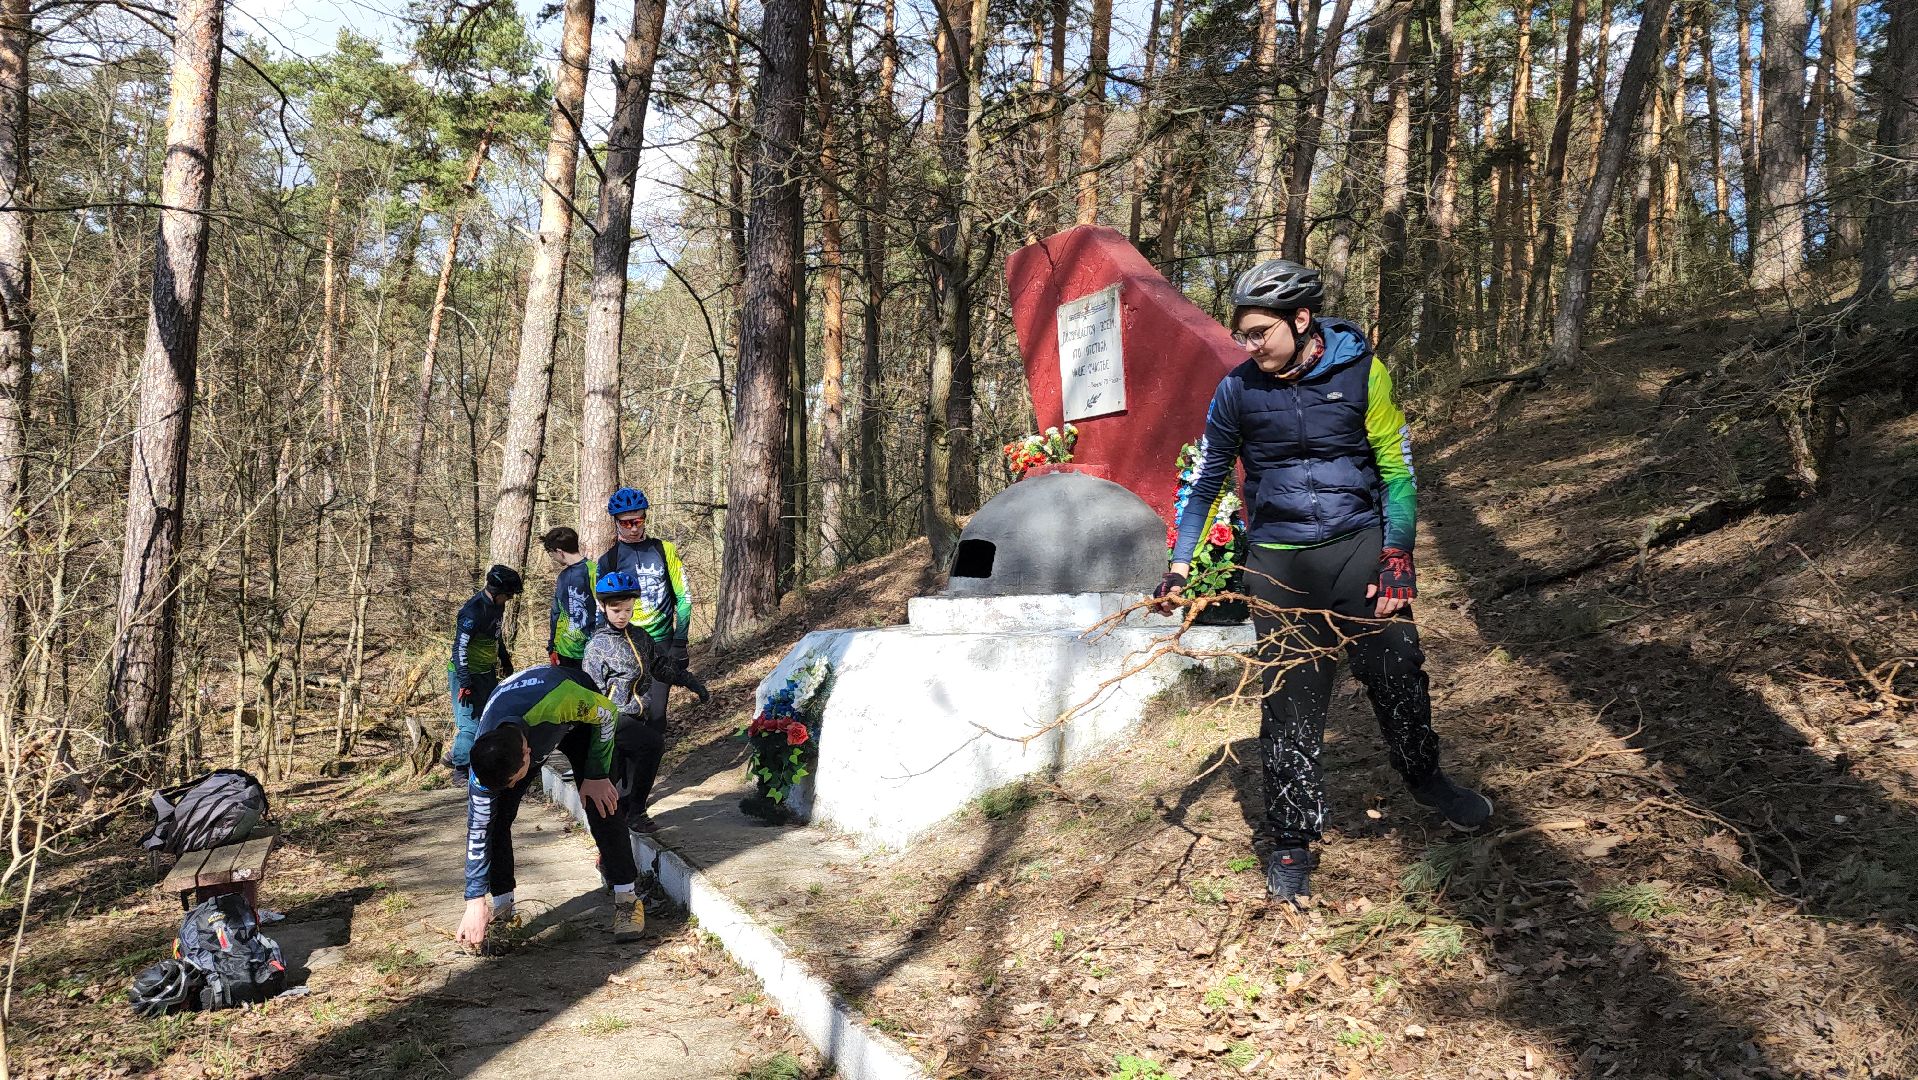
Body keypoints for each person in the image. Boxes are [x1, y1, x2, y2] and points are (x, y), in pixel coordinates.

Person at [1153, 257, 1492, 908]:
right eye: (1241, 335)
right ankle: (1289, 839)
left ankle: (1426, 779)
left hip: (1358, 549)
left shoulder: (1365, 373)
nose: (1249, 346)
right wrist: (1179, 563)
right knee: (1288, 704)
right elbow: (1207, 480)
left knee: (1398, 669)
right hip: (1278, 563)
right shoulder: (1237, 392)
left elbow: (1396, 471)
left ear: (1301, 319)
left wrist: (1398, 555)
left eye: (1260, 333)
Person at [455, 664, 645, 950]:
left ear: (528, 755)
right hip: (522, 726)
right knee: (496, 819)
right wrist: (474, 901)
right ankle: (503, 911)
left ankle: (627, 897)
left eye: (512, 781)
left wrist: (595, 773)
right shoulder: (486, 752)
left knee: (601, 802)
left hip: (583, 720)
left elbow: (606, 713)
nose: (510, 788)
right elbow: (478, 830)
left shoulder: (560, 700)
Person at [595, 488, 695, 723]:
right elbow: (600, 611)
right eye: (626, 522)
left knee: (657, 713)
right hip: (625, 645)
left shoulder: (664, 550)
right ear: (616, 522)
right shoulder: (607, 561)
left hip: (661, 642)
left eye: (638, 521)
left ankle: (655, 755)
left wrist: (680, 642)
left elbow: (684, 597)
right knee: (629, 715)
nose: (633, 527)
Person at [581, 571, 668, 833]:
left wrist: (690, 681)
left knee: (624, 775)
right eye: (616, 609)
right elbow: (590, 690)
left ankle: (625, 816)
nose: (622, 615)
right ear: (602, 607)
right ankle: (634, 814)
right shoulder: (598, 646)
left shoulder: (640, 636)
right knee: (652, 745)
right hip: (611, 716)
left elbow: (659, 664)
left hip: (638, 712)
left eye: (628, 609)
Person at [445, 564, 521, 784]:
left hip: (486, 672)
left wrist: (505, 660)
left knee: (488, 717)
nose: (509, 600)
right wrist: (465, 681)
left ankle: (458, 755)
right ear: (498, 593)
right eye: (508, 595)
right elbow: (459, 648)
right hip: (465, 674)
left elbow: (495, 636)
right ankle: (460, 769)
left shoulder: (497, 607)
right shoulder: (472, 611)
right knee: (469, 723)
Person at [541, 526, 597, 670]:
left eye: (551, 553)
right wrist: (552, 647)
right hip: (564, 651)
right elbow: (556, 613)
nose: (552, 558)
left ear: (559, 551)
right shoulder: (563, 576)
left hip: (590, 651)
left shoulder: (593, 571)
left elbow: (604, 610)